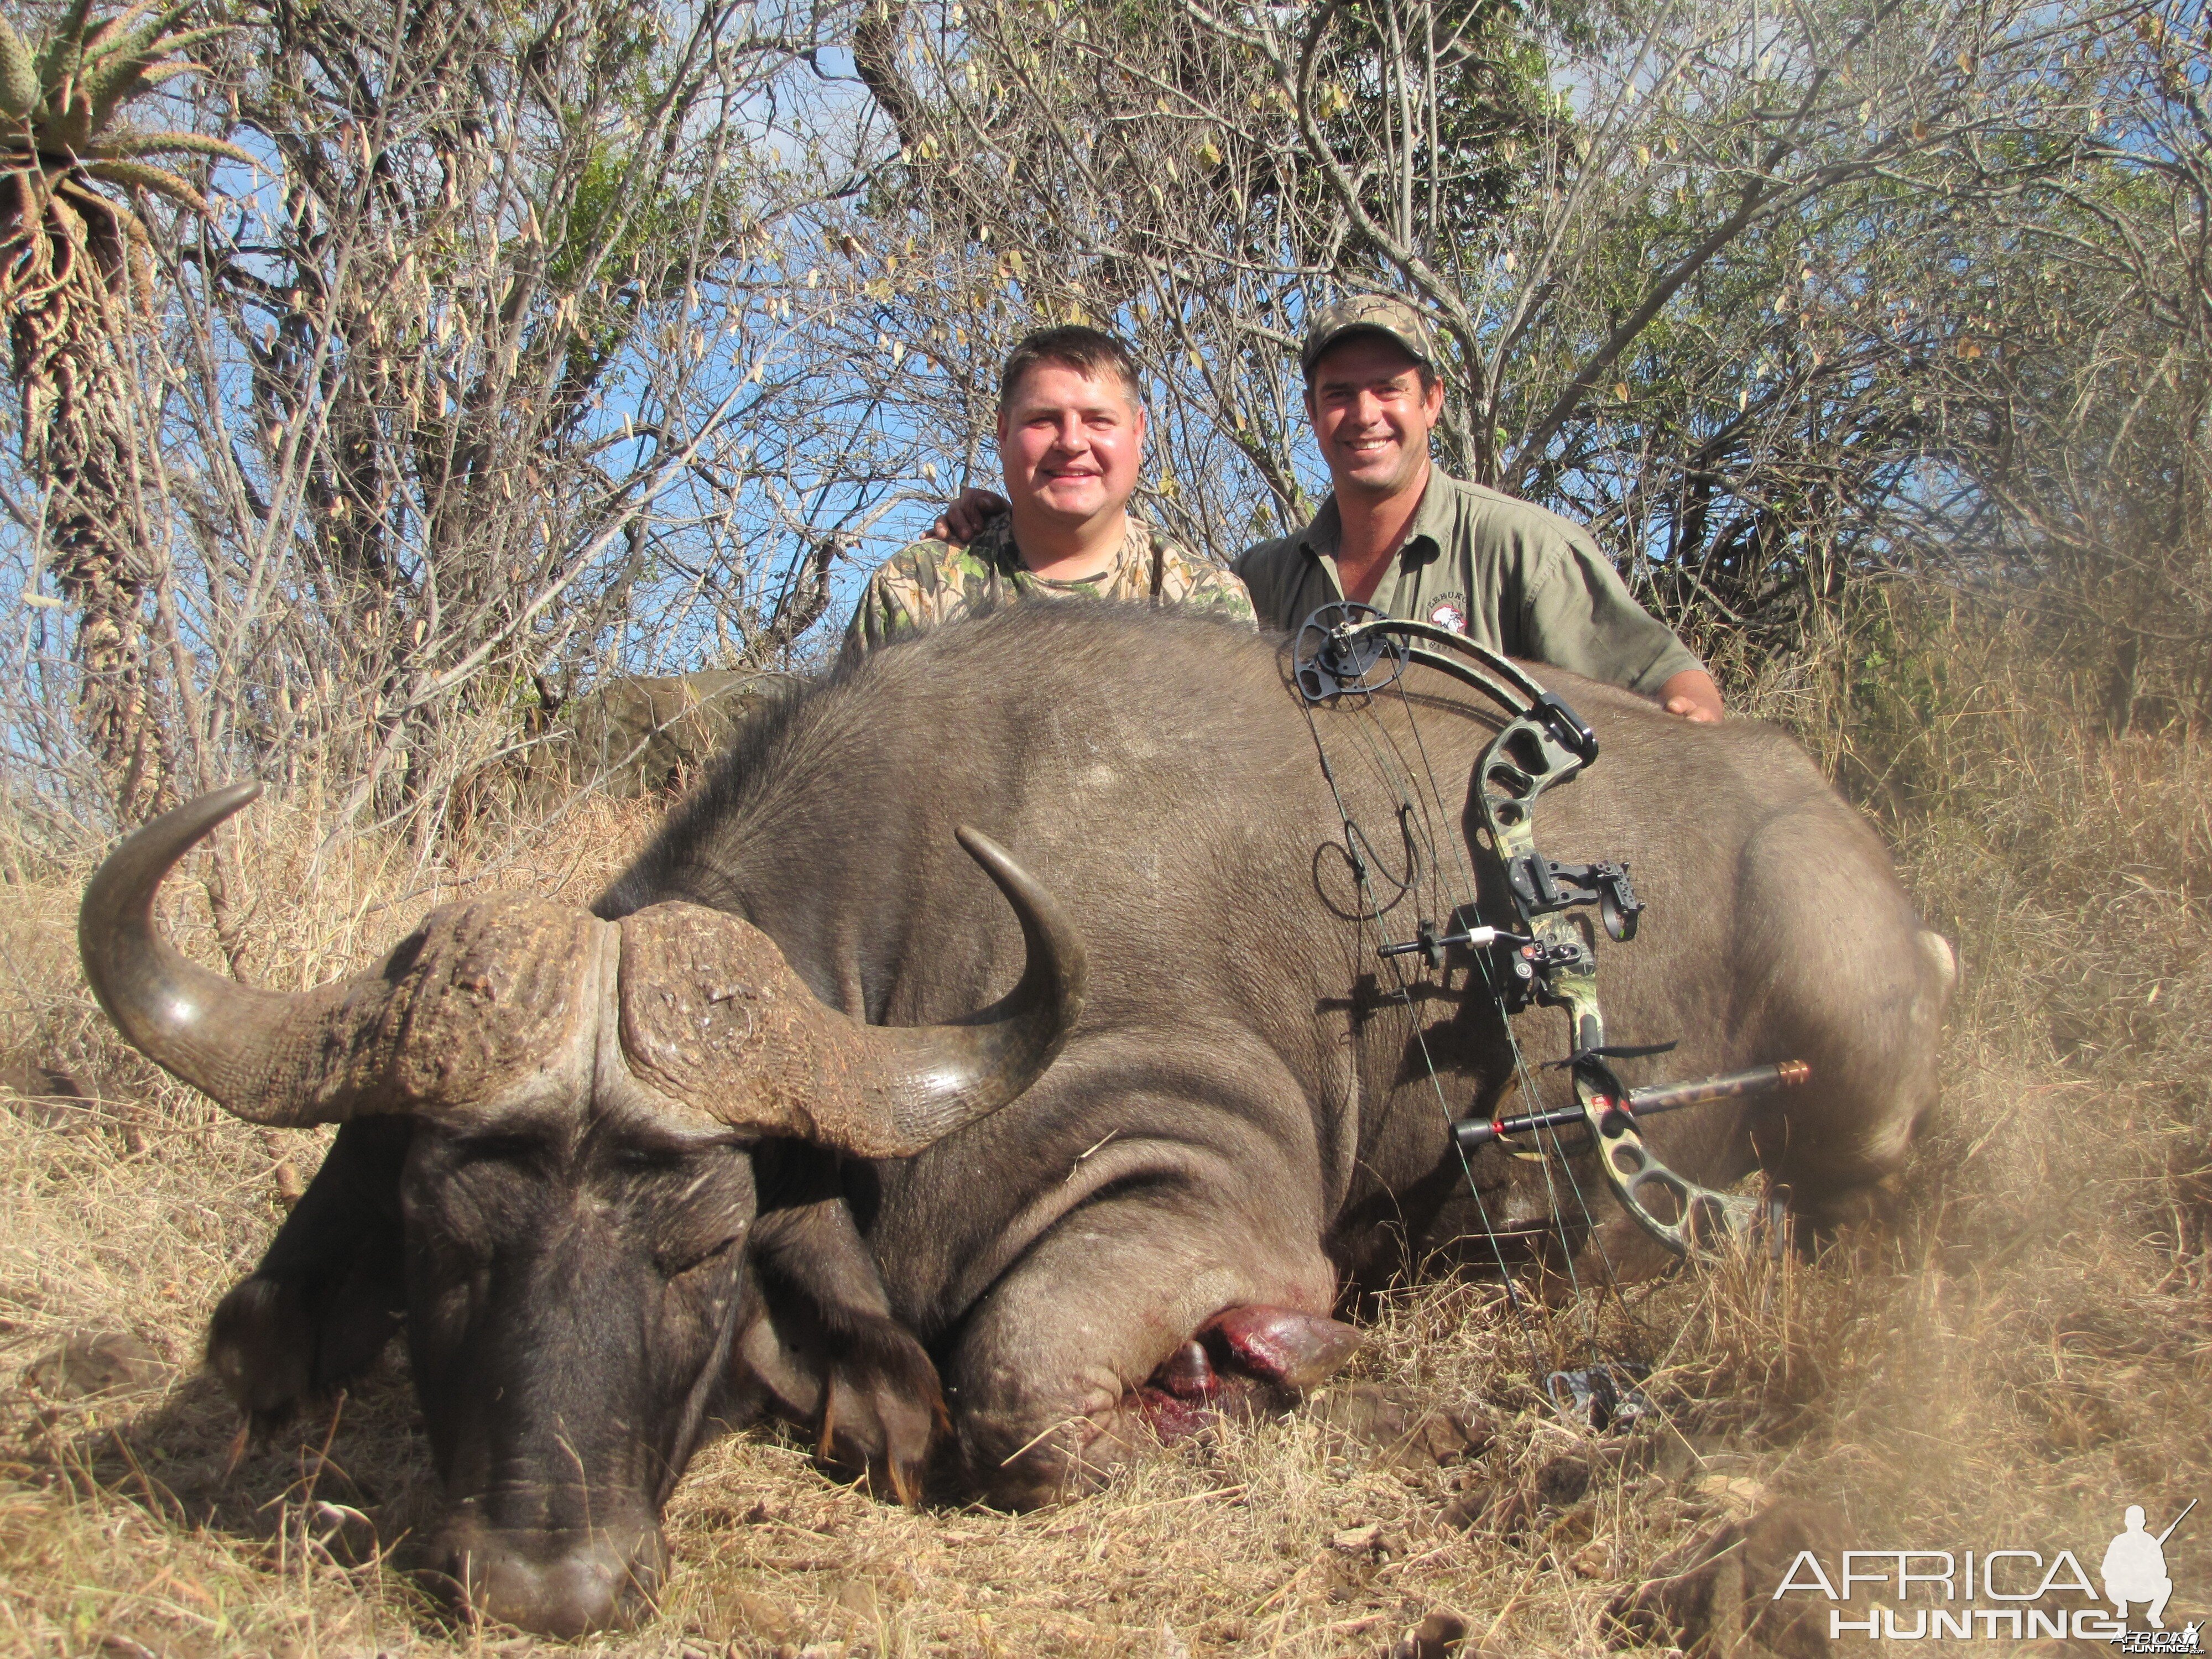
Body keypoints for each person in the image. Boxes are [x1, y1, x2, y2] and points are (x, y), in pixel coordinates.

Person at [929, 296, 1724, 722]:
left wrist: (1688, 731)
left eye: (1390, 390)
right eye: (1339, 395)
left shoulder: (1525, 548)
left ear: (1433, 402)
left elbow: (1672, 682)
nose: (1366, 414)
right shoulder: (1257, 582)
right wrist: (991, 524)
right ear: (1312, 413)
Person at [841, 325, 1254, 663]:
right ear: (1003, 432)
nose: (1072, 442)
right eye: (1043, 420)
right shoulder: (915, 591)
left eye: (1098, 421)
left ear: (1138, 432)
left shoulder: (1206, 603)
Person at [2103, 1504, 2176, 1628]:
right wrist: (2124, 1571)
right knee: (2110, 1584)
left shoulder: (2151, 1542)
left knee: (2167, 1584)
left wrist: (2147, 1569)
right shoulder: (2118, 1541)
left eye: (2137, 1521)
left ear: (2143, 1522)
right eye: (2132, 1521)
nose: (2135, 1524)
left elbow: (2162, 1571)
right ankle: (2122, 1606)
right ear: (2126, 1522)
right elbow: (2106, 1570)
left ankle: (2154, 1614)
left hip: (2144, 1589)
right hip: (2123, 1589)